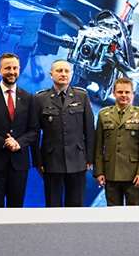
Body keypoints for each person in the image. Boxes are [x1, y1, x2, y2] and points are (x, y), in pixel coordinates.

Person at [0, 52, 40, 208]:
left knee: (16, 211)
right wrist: (4, 143)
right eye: (8, 68)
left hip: (19, 165)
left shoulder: (29, 97)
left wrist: (18, 143)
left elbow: (34, 130)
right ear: (0, 70)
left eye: (15, 68)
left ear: (19, 69)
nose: (12, 72)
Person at [31, 60, 95, 207]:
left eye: (67, 71)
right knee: (53, 206)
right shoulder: (40, 98)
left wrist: (90, 158)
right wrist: (38, 161)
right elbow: (34, 132)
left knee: (76, 207)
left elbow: (89, 130)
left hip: (78, 160)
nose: (63, 74)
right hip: (51, 161)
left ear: (71, 75)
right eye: (59, 71)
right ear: (51, 74)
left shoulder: (82, 96)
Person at [93, 77, 139, 206]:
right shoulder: (104, 114)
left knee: (134, 212)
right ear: (114, 93)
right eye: (120, 92)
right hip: (110, 173)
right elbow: (98, 147)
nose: (124, 95)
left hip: (133, 175)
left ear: (132, 94)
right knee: (113, 213)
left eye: (127, 92)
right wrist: (99, 172)